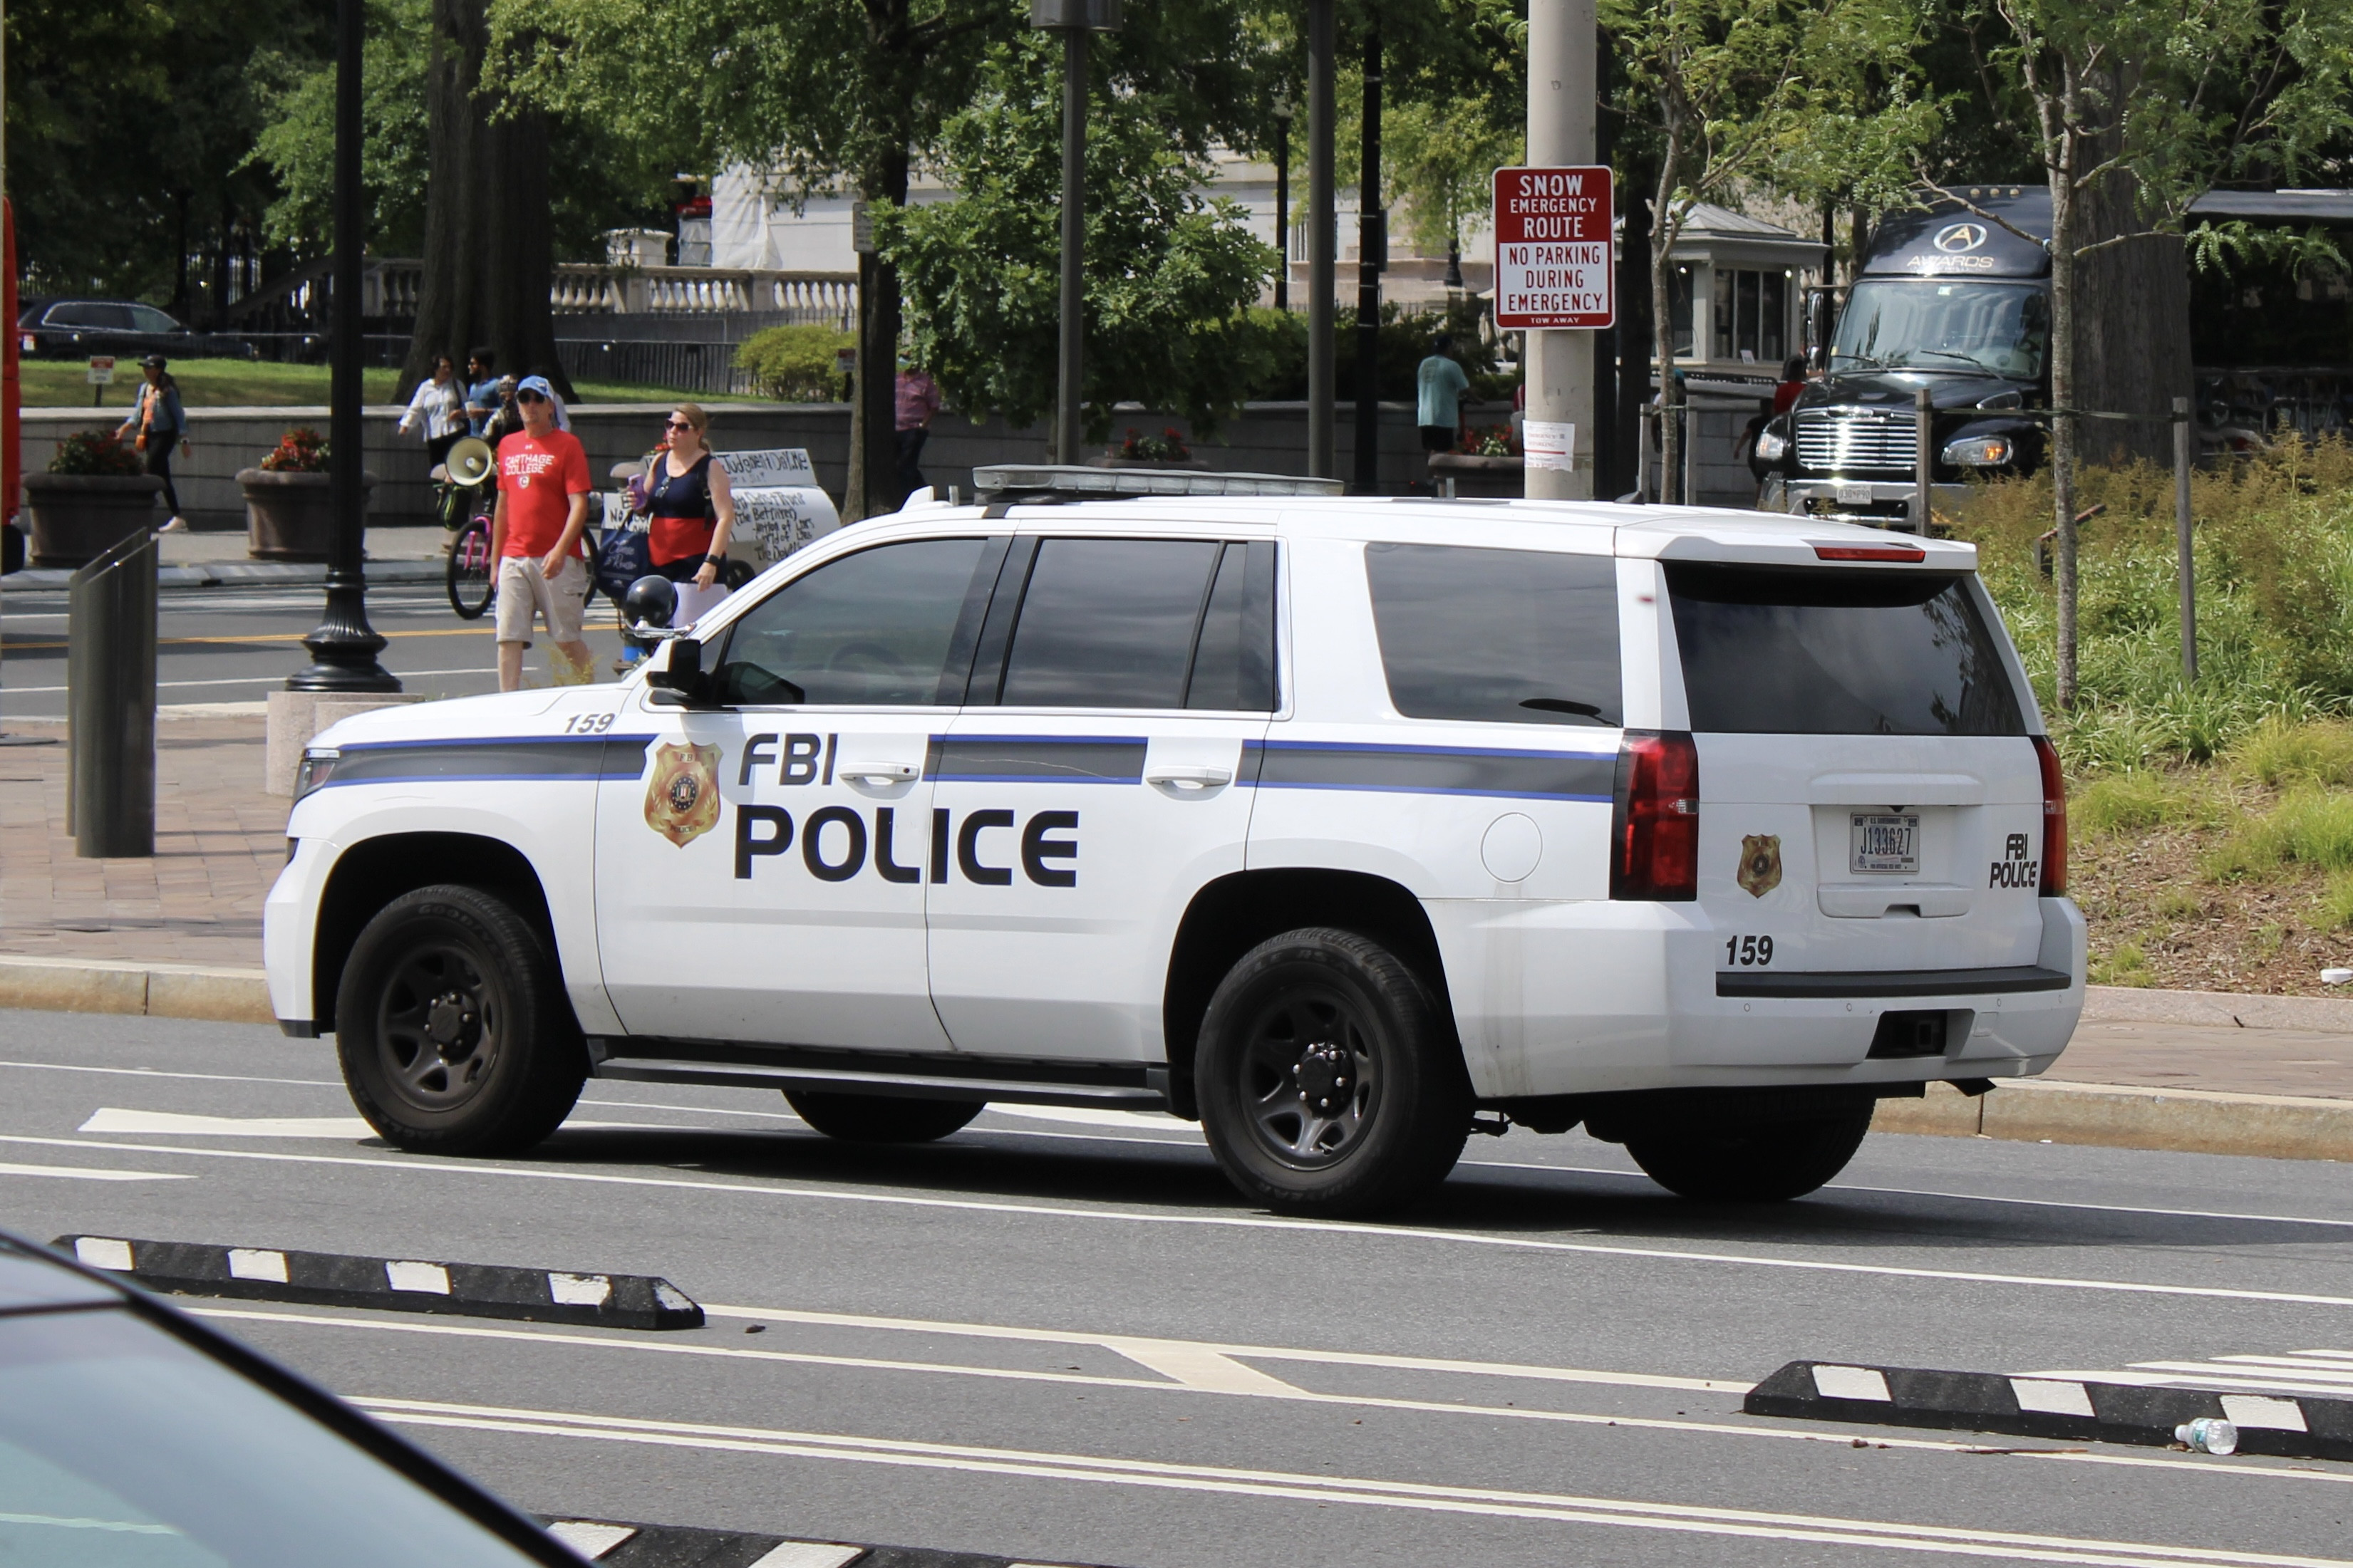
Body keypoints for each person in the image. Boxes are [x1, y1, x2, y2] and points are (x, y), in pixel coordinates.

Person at [490, 375, 596, 691]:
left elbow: (580, 504)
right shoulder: (508, 445)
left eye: (538, 400)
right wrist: (495, 562)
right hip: (514, 554)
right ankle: (507, 704)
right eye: (525, 399)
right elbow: (502, 506)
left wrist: (561, 549)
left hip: (556, 559)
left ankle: (587, 692)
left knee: (566, 638)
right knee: (508, 636)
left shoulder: (567, 445)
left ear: (551, 406)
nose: (531, 406)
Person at [115, 355, 190, 531]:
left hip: (165, 436)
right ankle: (178, 517)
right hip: (149, 435)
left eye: (148, 367)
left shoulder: (168, 391)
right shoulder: (145, 389)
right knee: (163, 478)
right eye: (144, 367)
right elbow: (138, 414)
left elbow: (179, 417)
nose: (145, 370)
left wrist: (185, 441)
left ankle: (137, 513)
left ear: (158, 370)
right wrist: (124, 429)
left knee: (149, 472)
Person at [398, 354, 467, 471]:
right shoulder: (425, 387)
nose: (448, 370)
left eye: (450, 367)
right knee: (438, 470)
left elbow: (468, 406)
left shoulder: (456, 385)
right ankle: (439, 489)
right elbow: (416, 407)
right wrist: (406, 425)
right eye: (444, 367)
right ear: (435, 369)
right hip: (434, 435)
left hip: (454, 432)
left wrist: (460, 412)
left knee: (455, 469)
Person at [1415, 335, 1470, 472]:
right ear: (1448, 348)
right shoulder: (1451, 365)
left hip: (1424, 415)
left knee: (1429, 449)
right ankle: (1436, 480)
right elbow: (1465, 389)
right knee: (1441, 451)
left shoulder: (1424, 364)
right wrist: (1479, 400)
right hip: (1443, 416)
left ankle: (1430, 481)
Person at [894, 359, 941, 499]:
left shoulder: (926, 382)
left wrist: (922, 426)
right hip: (896, 429)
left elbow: (934, 406)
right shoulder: (897, 380)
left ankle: (906, 497)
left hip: (914, 430)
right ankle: (925, 493)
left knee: (906, 465)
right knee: (901, 465)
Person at [462, 348, 500, 437]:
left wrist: (485, 412)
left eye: (473, 364)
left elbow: (506, 410)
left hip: (492, 436)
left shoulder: (496, 385)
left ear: (483, 367)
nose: (469, 367)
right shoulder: (473, 387)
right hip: (474, 436)